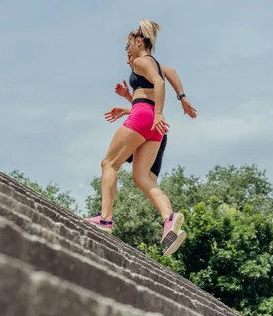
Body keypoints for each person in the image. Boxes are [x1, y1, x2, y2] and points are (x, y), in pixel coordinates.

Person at [84, 19, 186, 256]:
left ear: (139, 41)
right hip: (152, 122)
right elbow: (167, 75)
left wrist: (159, 112)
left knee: (109, 163)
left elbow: (160, 83)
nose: (127, 52)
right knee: (141, 178)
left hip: (147, 116)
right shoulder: (156, 63)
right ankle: (169, 218)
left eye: (128, 46)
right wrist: (129, 102)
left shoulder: (141, 61)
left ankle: (105, 219)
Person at [104, 55, 197, 184]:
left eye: (130, 56)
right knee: (147, 180)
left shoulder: (148, 65)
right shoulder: (142, 76)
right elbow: (145, 107)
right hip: (155, 126)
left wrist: (182, 96)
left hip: (154, 124)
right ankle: (163, 204)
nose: (128, 61)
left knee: (110, 164)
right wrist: (128, 97)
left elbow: (169, 71)